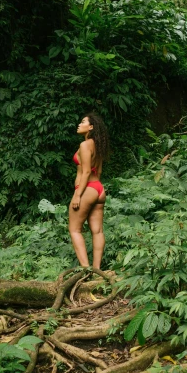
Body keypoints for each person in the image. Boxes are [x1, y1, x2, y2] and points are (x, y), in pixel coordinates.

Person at [69, 113, 109, 269]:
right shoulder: (98, 145)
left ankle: (86, 270)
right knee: (97, 231)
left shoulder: (85, 145)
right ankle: (97, 270)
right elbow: (97, 172)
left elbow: (86, 172)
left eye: (83, 121)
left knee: (74, 229)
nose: (79, 124)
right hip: (99, 189)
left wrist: (78, 194)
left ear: (91, 127)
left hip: (87, 189)